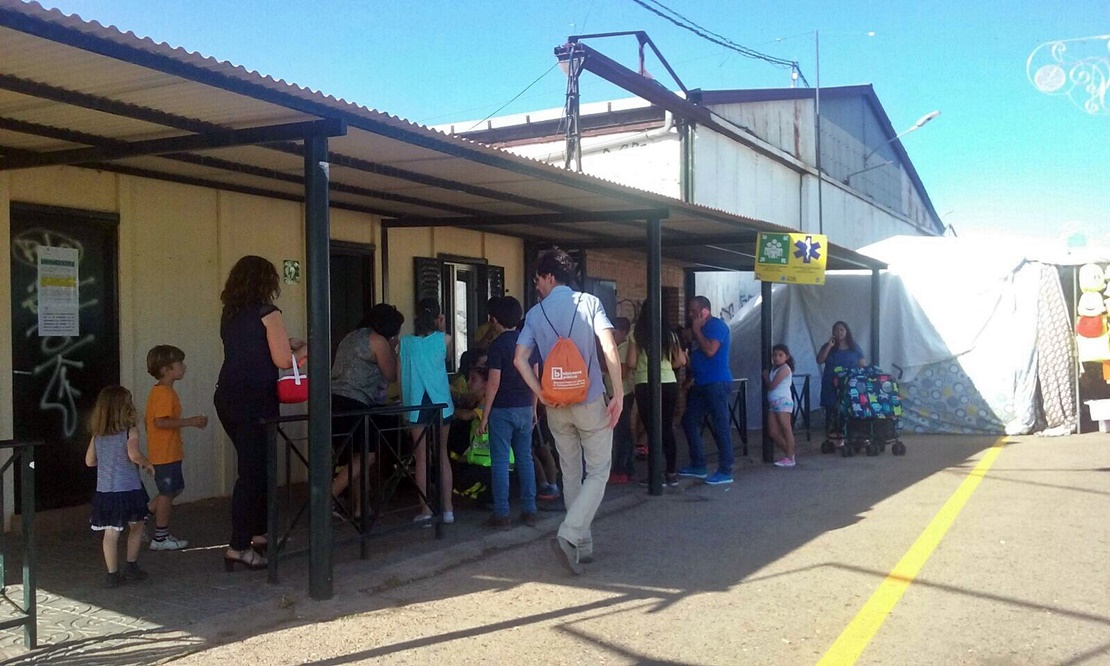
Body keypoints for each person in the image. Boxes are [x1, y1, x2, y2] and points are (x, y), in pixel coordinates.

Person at [514, 249, 623, 575]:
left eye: (538, 280)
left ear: (549, 276)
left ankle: (582, 547)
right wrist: (617, 391)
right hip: (589, 400)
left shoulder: (534, 314)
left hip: (556, 405)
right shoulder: (589, 304)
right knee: (600, 471)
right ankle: (569, 535)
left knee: (571, 473)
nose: (537, 287)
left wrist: (541, 392)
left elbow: (519, 359)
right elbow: (608, 346)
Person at [214, 255, 306, 571]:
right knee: (254, 474)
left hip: (227, 395)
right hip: (256, 398)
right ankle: (239, 546)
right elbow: (282, 360)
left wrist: (287, 345)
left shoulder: (230, 313)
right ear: (267, 282)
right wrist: (306, 347)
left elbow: (249, 348)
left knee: (254, 467)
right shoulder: (270, 313)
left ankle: (259, 533)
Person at [330, 303, 405, 520]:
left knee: (354, 457)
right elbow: (391, 374)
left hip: (333, 401)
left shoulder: (351, 337)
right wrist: (394, 348)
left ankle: (360, 508)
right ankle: (325, 499)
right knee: (366, 456)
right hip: (354, 403)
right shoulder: (378, 340)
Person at [477, 296, 538, 528]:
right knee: (525, 459)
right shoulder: (528, 342)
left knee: (501, 461)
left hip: (502, 408)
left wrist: (485, 415)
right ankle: (529, 510)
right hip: (524, 406)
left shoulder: (498, 346)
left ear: (494, 320)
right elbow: (535, 377)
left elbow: (493, 383)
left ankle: (502, 514)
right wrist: (534, 408)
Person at [86, 385, 154, 588]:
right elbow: (133, 455)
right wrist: (147, 463)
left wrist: (107, 462)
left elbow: (89, 461)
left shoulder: (97, 435)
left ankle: (112, 574)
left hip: (106, 490)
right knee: (137, 525)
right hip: (129, 488)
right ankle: (131, 565)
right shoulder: (130, 431)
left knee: (111, 532)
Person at [144, 345, 208, 551]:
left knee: (175, 488)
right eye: (179, 364)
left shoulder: (164, 391)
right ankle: (160, 537)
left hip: (168, 451)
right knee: (167, 492)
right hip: (164, 452)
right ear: (165, 369)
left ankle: (141, 515)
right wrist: (191, 422)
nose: (184, 367)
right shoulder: (164, 393)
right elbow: (160, 422)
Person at [400, 297, 455, 525]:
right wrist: (440, 329)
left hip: (416, 402)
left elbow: (399, 376)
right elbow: (447, 359)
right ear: (438, 317)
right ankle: (449, 510)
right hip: (441, 401)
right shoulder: (446, 339)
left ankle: (425, 510)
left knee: (420, 458)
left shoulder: (405, 343)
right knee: (442, 454)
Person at [627, 304, 687, 487]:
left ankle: (655, 475)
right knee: (666, 427)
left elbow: (630, 362)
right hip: (669, 383)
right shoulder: (669, 334)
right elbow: (681, 361)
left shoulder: (636, 333)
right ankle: (671, 473)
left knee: (652, 429)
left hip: (645, 383)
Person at [679, 295, 735, 485]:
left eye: (693, 311)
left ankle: (726, 470)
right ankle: (698, 465)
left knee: (719, 425)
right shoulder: (699, 330)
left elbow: (710, 351)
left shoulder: (716, 326)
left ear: (704, 311)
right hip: (701, 383)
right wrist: (690, 378)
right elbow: (697, 357)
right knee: (688, 420)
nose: (690, 314)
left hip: (717, 383)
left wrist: (696, 330)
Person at [816, 320, 867, 450]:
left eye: (842, 329)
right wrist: (829, 346)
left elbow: (862, 364)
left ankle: (849, 438)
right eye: (837, 330)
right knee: (832, 410)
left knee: (849, 410)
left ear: (846, 331)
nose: (839, 332)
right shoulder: (828, 346)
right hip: (831, 384)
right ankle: (832, 439)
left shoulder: (854, 347)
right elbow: (820, 360)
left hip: (849, 384)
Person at [606, 317, 635, 485]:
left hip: (623, 394)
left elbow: (622, 372)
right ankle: (626, 466)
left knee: (622, 432)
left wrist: (603, 363)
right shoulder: (616, 347)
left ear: (623, 332)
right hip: (612, 393)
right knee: (622, 432)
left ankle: (621, 468)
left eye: (614, 332)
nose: (612, 335)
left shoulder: (624, 348)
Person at [763, 344, 797, 467]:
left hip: (782, 400)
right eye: (774, 355)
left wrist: (766, 377)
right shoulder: (774, 368)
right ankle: (789, 452)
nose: (776, 358)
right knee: (773, 432)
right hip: (773, 402)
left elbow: (772, 385)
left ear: (786, 357)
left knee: (786, 428)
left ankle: (789, 457)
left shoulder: (785, 369)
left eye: (780, 355)